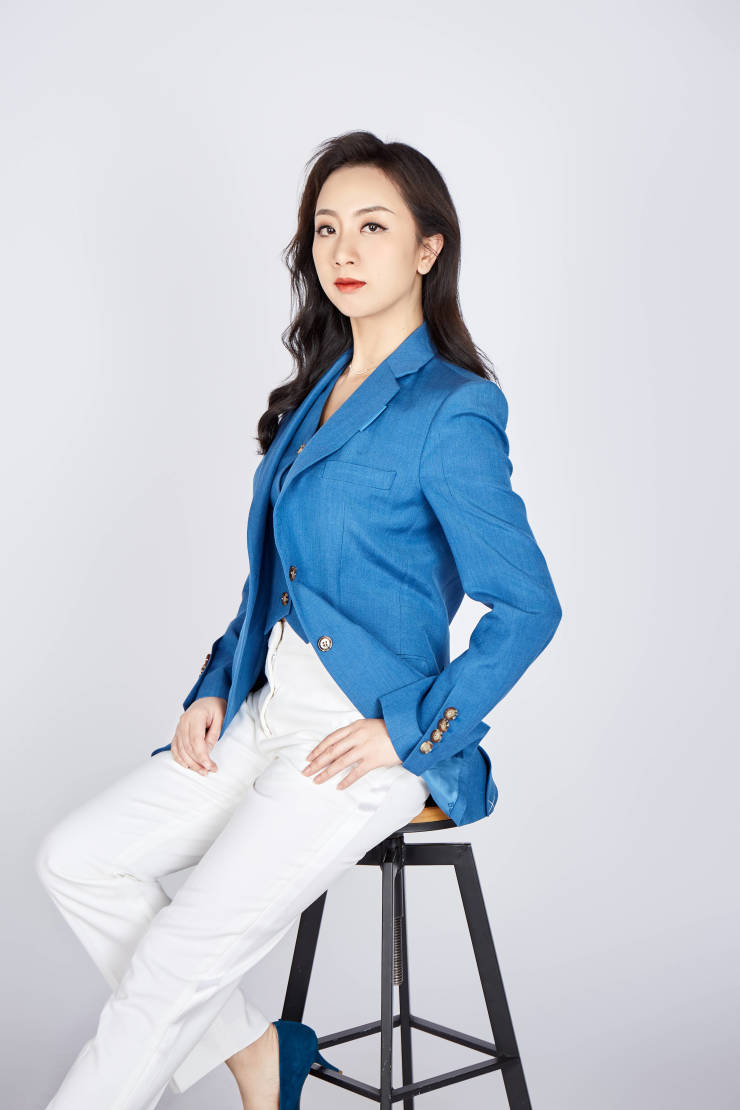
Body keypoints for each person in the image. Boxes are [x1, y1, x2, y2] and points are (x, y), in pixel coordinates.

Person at [35, 129, 563, 1110]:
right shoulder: (316, 391)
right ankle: (256, 1053)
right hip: (265, 711)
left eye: (373, 227)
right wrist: (212, 684)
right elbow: (272, 582)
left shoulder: (452, 408)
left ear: (428, 248)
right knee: (78, 860)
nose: (343, 251)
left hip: (357, 741)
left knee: (178, 957)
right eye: (325, 229)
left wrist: (409, 732)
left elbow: (529, 606)